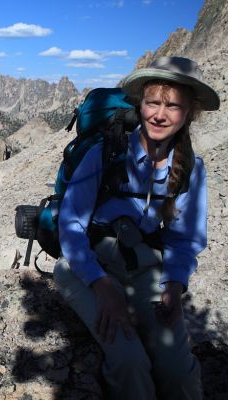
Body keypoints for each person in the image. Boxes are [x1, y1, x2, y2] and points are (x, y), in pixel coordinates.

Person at [53, 56, 220, 399]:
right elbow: (71, 227)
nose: (160, 114)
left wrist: (174, 285)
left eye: (172, 106)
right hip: (87, 262)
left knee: (178, 369)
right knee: (129, 360)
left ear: (189, 113)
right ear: (141, 104)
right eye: (153, 102)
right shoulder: (106, 151)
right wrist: (103, 288)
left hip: (146, 266)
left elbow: (183, 238)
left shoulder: (190, 166)